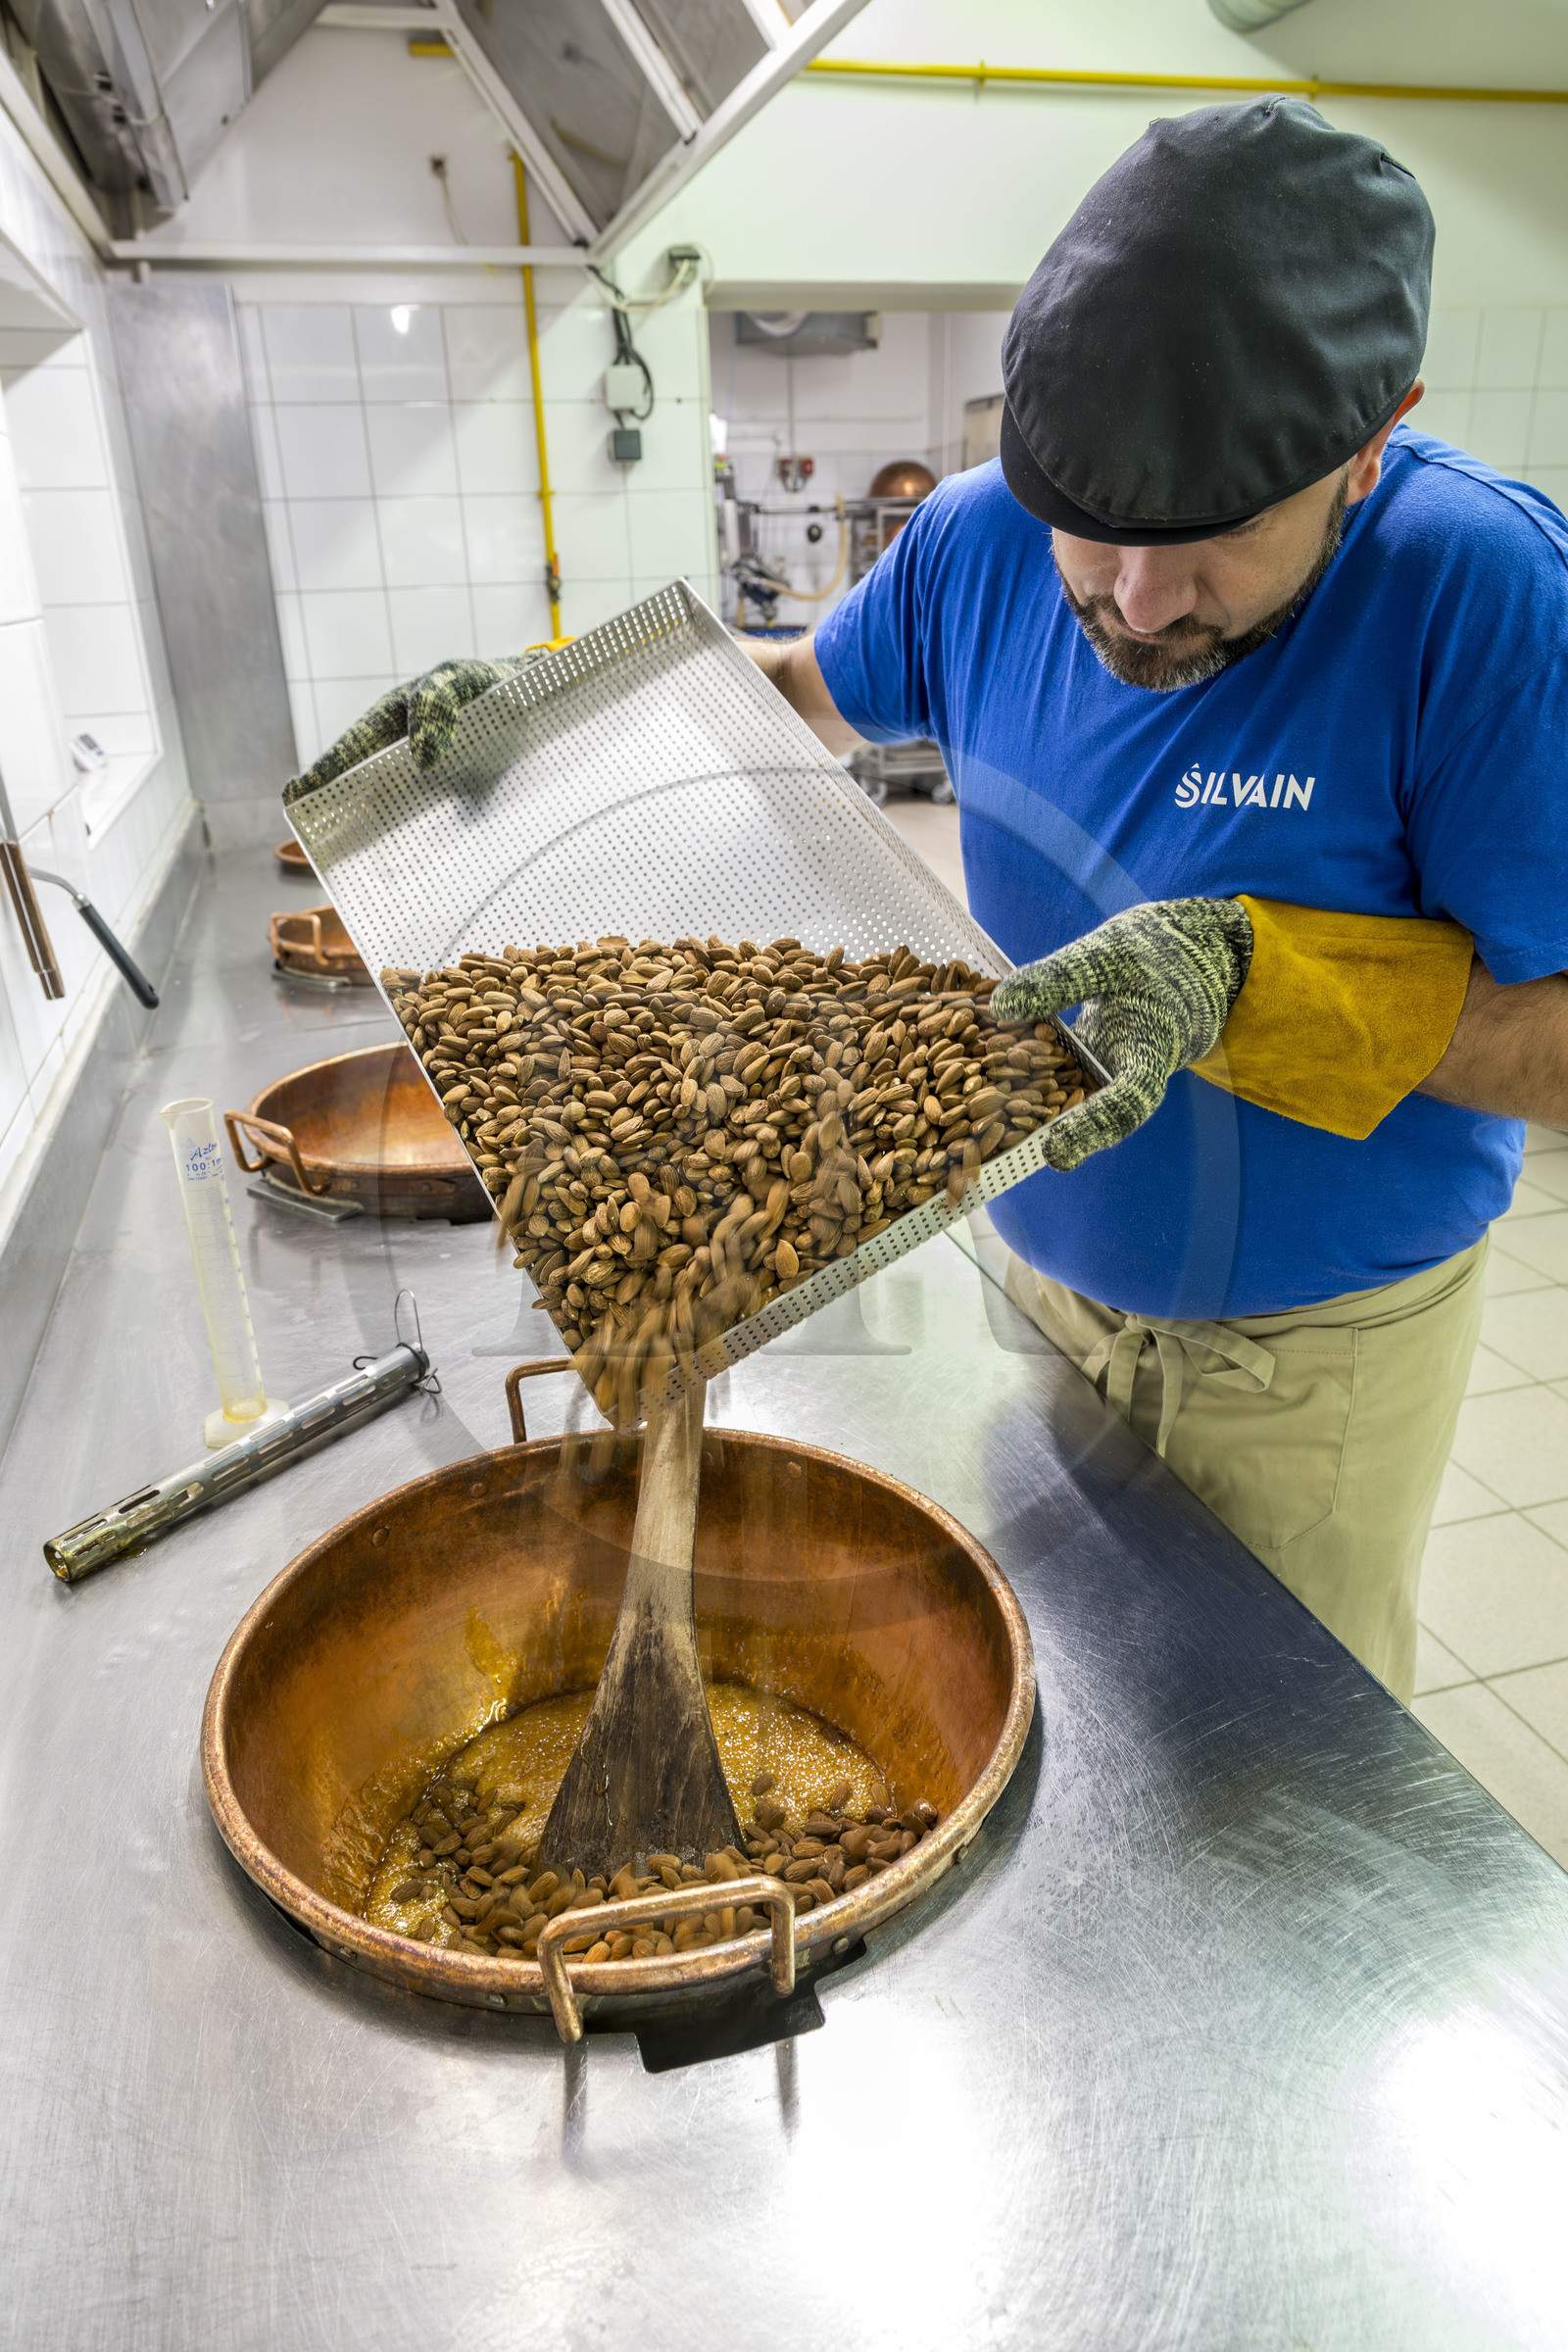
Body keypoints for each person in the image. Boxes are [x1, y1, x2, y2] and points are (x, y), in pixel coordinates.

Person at [285, 99, 1568, 1705]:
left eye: (1218, 541)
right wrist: (538, 721)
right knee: (1063, 1702)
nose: (1140, 600)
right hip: (1041, 1275)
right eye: (1093, 535)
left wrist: (1271, 985)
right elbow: (791, 699)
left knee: (1258, 1763)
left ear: (1374, 437)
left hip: (1313, 1351)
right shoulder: (972, 540)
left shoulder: (1487, 594)